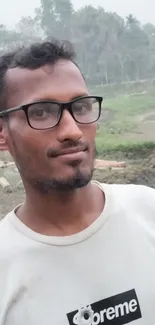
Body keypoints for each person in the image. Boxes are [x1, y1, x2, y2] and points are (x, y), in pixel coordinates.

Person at [0, 40, 154, 325]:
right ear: (2, 134)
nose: (72, 130)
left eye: (81, 107)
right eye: (41, 112)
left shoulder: (148, 211)